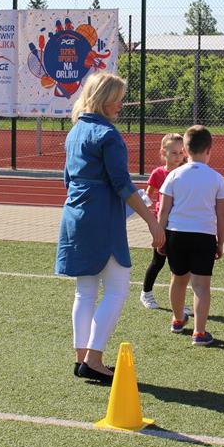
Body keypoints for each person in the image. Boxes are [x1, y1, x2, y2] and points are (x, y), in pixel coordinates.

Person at [56, 73, 165, 385]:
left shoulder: (75, 131)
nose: (121, 103)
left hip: (75, 215)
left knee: (85, 290)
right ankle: (93, 359)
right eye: (116, 98)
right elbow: (122, 185)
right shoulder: (107, 134)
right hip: (101, 217)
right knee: (117, 289)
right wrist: (152, 221)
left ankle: (82, 358)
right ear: (102, 99)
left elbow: (67, 180)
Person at [158, 125, 224, 346]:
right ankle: (199, 332)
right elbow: (222, 215)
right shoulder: (216, 178)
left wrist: (160, 236)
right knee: (201, 286)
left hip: (176, 233)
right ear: (209, 150)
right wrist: (220, 242)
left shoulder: (174, 175)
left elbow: (163, 210)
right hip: (204, 235)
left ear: (185, 150)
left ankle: (177, 320)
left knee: (178, 279)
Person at [140, 133, 186, 311]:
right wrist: (152, 222)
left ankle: (179, 301)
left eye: (181, 152)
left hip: (180, 224)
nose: (178, 156)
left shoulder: (186, 172)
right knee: (158, 261)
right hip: (163, 224)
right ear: (163, 152)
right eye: (174, 152)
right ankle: (146, 293)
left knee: (179, 265)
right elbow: (148, 197)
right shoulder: (158, 173)